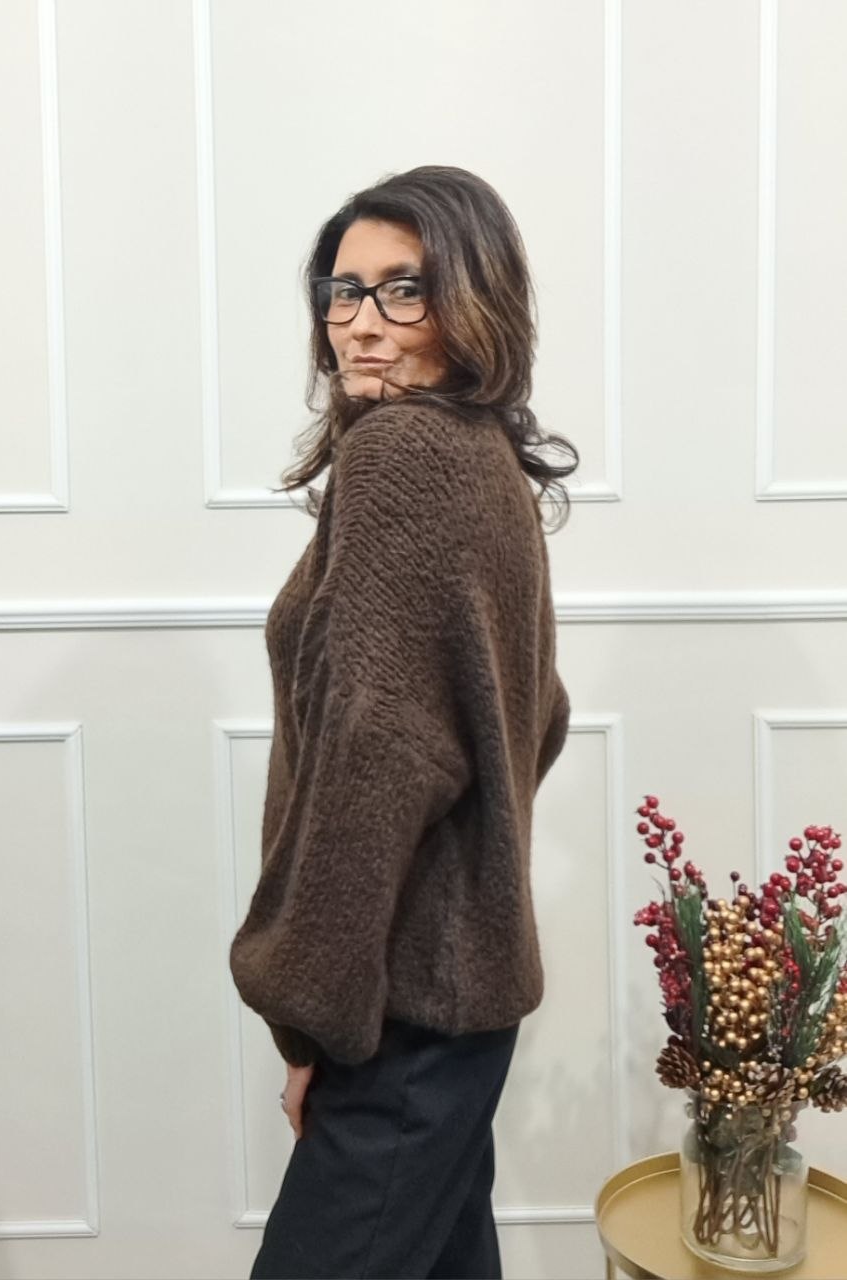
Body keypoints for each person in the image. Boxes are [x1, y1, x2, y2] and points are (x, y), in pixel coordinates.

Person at [228, 164, 579, 1279]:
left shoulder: (402, 455)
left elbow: (376, 757)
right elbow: (537, 713)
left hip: (402, 1014)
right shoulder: (483, 458)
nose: (361, 324)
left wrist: (311, 1023)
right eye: (344, 290)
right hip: (458, 1005)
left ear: (472, 302)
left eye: (403, 290)